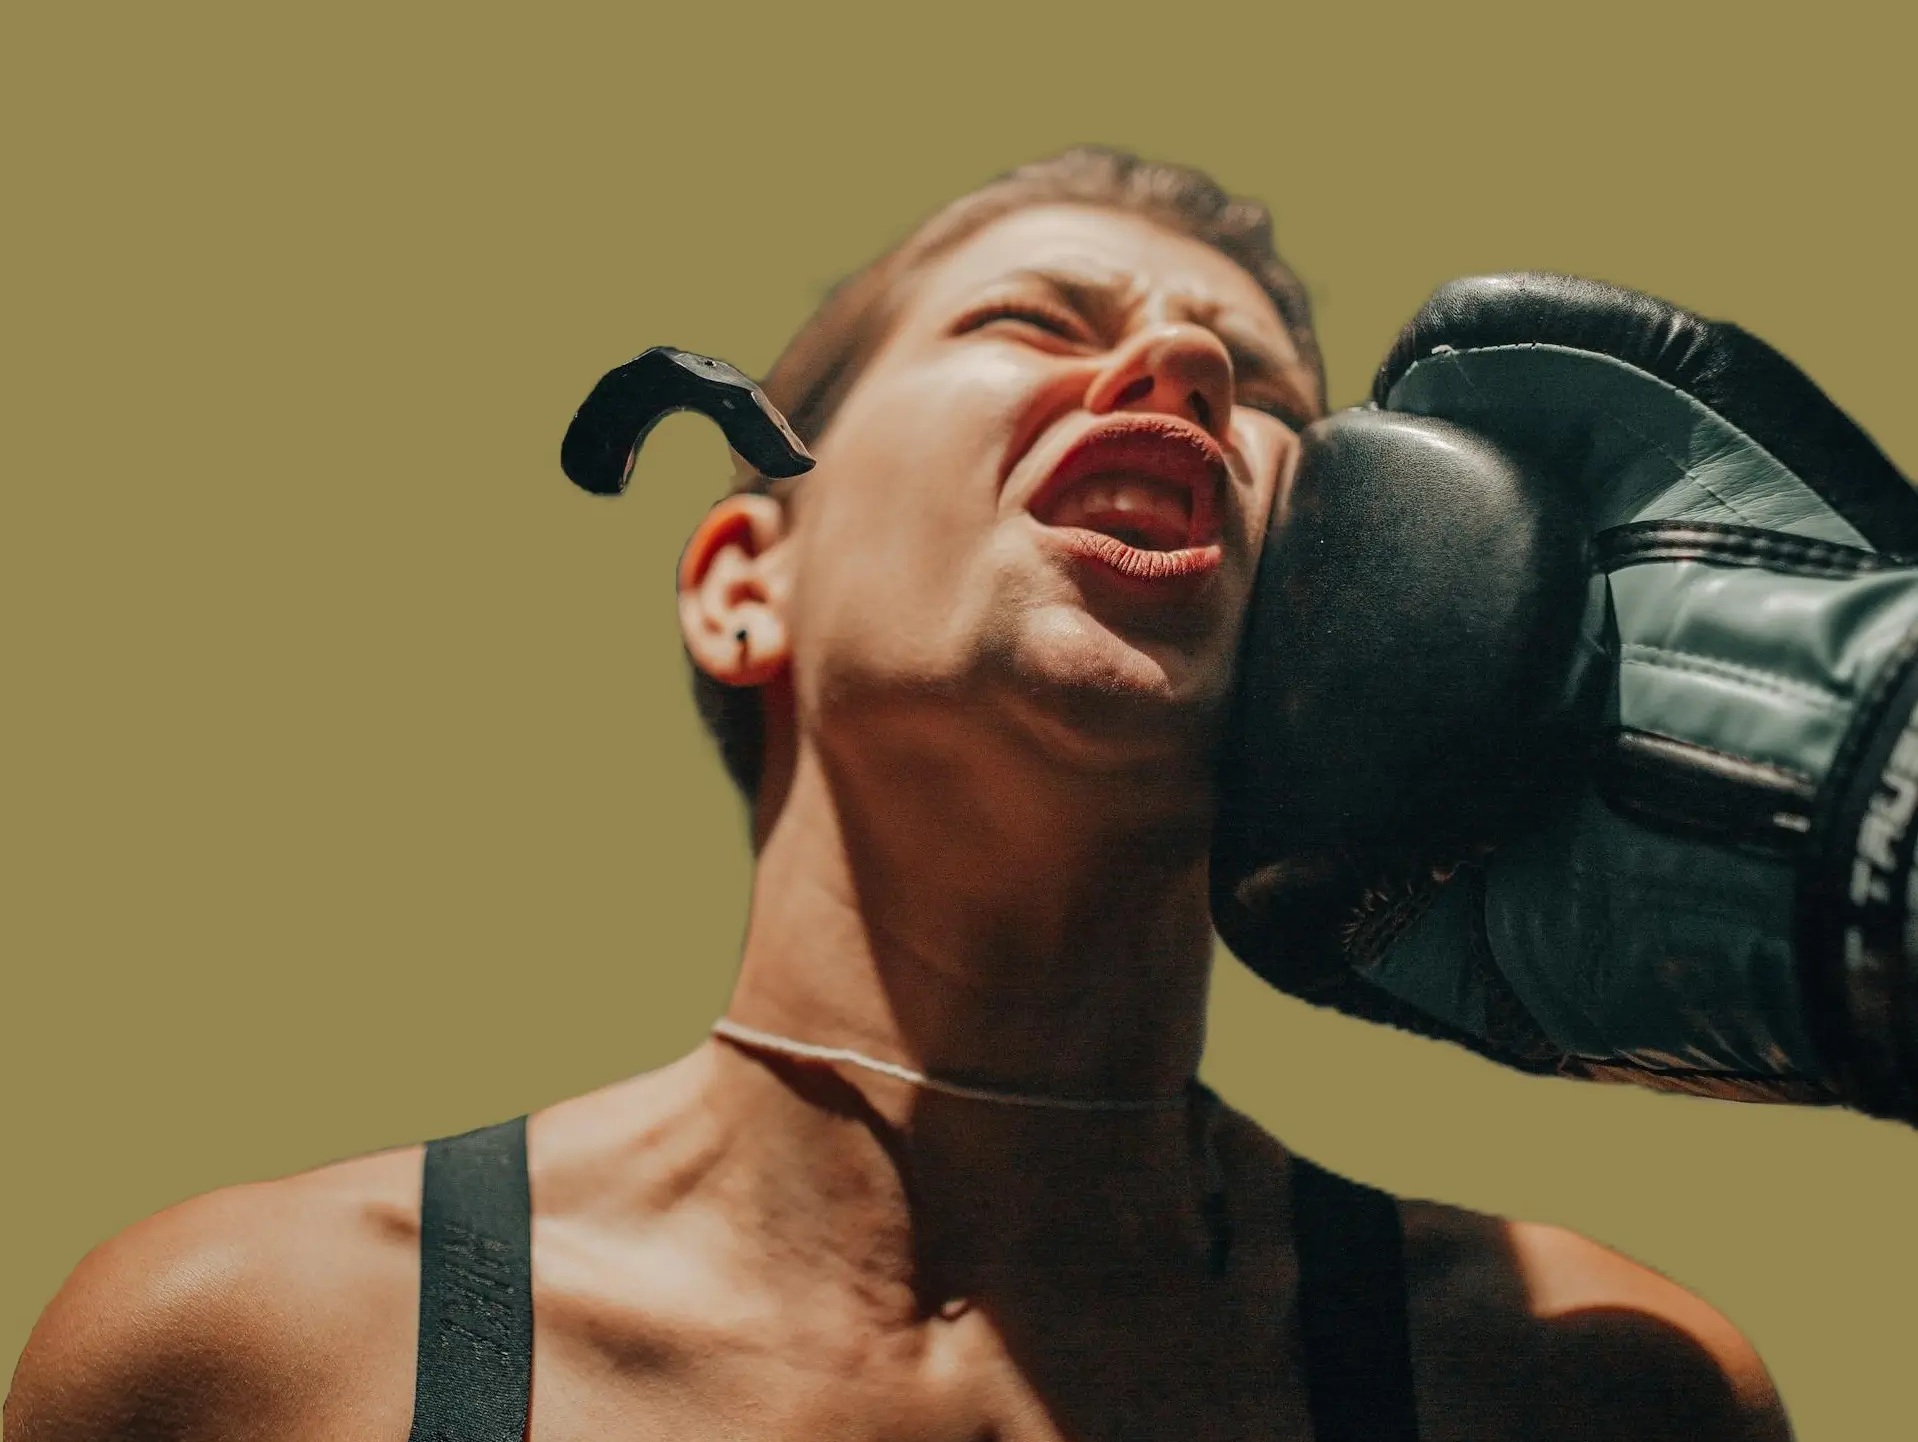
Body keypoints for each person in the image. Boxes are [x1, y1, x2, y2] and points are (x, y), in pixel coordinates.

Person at [4, 146, 1789, 1442]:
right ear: (738, 579)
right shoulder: (242, 1360)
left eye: (1249, 390)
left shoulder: (1580, 1387)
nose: (1170, 373)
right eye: (1032, 319)